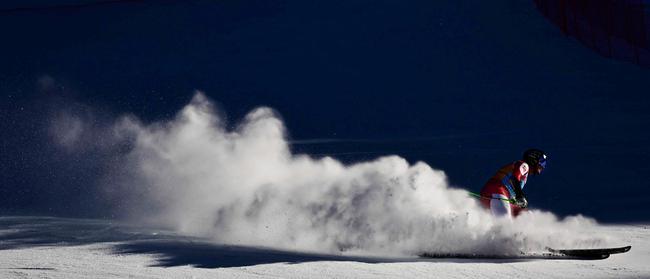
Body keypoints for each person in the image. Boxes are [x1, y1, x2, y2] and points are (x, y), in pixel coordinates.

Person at [480, 149, 547, 218]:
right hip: (497, 191)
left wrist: (518, 200)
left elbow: (513, 186)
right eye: (542, 162)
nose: (543, 166)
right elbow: (514, 179)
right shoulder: (524, 165)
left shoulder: (524, 174)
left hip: (503, 197)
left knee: (527, 215)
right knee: (505, 219)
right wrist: (520, 196)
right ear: (534, 160)